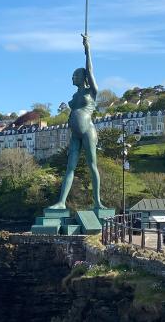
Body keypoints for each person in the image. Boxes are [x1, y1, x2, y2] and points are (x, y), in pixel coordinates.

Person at [49, 35, 105, 209]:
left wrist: (87, 50)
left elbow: (90, 69)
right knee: (70, 168)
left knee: (92, 165)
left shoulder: (92, 91)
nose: (72, 77)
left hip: (88, 131)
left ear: (83, 77)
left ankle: (97, 202)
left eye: (75, 75)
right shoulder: (74, 96)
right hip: (75, 135)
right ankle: (61, 202)